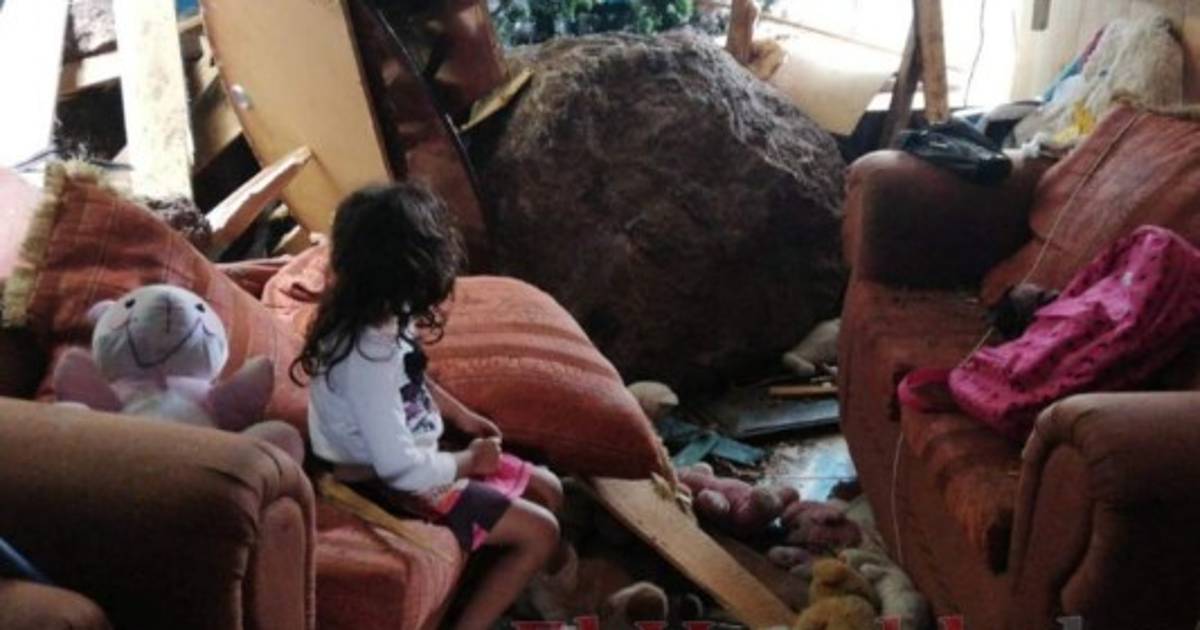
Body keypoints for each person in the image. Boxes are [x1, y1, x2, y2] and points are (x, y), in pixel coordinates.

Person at [293, 183, 564, 630]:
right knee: (541, 533)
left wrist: (461, 415)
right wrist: (470, 461)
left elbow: (412, 376)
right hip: (382, 482)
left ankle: (514, 583)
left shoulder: (381, 309)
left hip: (417, 450)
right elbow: (402, 470)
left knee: (549, 487)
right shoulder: (364, 359)